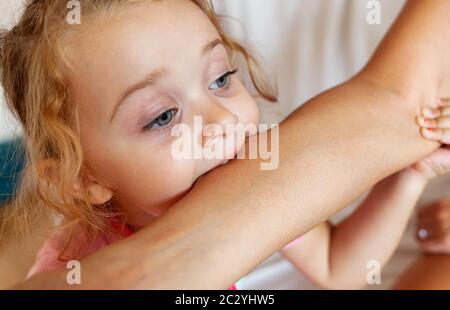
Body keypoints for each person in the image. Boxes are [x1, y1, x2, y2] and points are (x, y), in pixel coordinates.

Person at [1, 0, 449, 289]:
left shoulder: (253, 175)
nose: (222, 120)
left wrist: (407, 179)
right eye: (163, 116)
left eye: (220, 79)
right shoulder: (77, 267)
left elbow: (340, 266)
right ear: (84, 178)